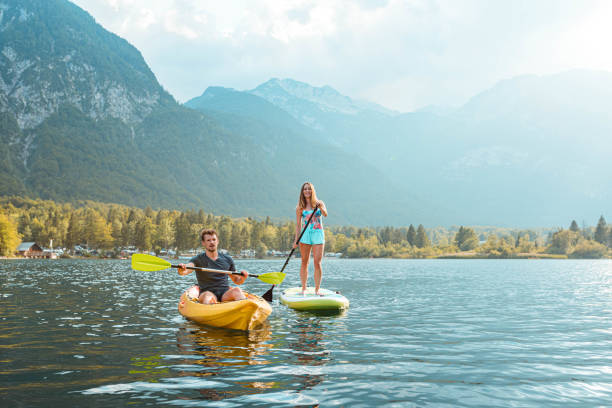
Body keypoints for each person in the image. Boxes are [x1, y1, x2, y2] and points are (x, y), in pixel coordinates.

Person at [178, 228, 248, 304]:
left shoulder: (228, 259)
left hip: (224, 294)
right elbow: (187, 269)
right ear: (203, 243)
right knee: (208, 296)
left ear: (217, 241)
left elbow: (236, 280)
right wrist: (182, 269)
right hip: (206, 292)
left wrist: (243, 278)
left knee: (237, 290)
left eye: (214, 239)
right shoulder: (198, 259)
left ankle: (245, 311)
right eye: (208, 240)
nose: (212, 242)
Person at [293, 182, 328, 295]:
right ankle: (304, 288)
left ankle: (317, 290)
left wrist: (321, 207)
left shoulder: (319, 203)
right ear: (302, 192)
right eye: (305, 189)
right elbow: (298, 225)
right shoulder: (300, 208)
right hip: (305, 235)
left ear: (312, 191)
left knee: (317, 262)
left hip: (318, 234)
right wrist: (296, 240)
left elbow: (325, 214)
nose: (307, 191)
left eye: (309, 189)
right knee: (304, 262)